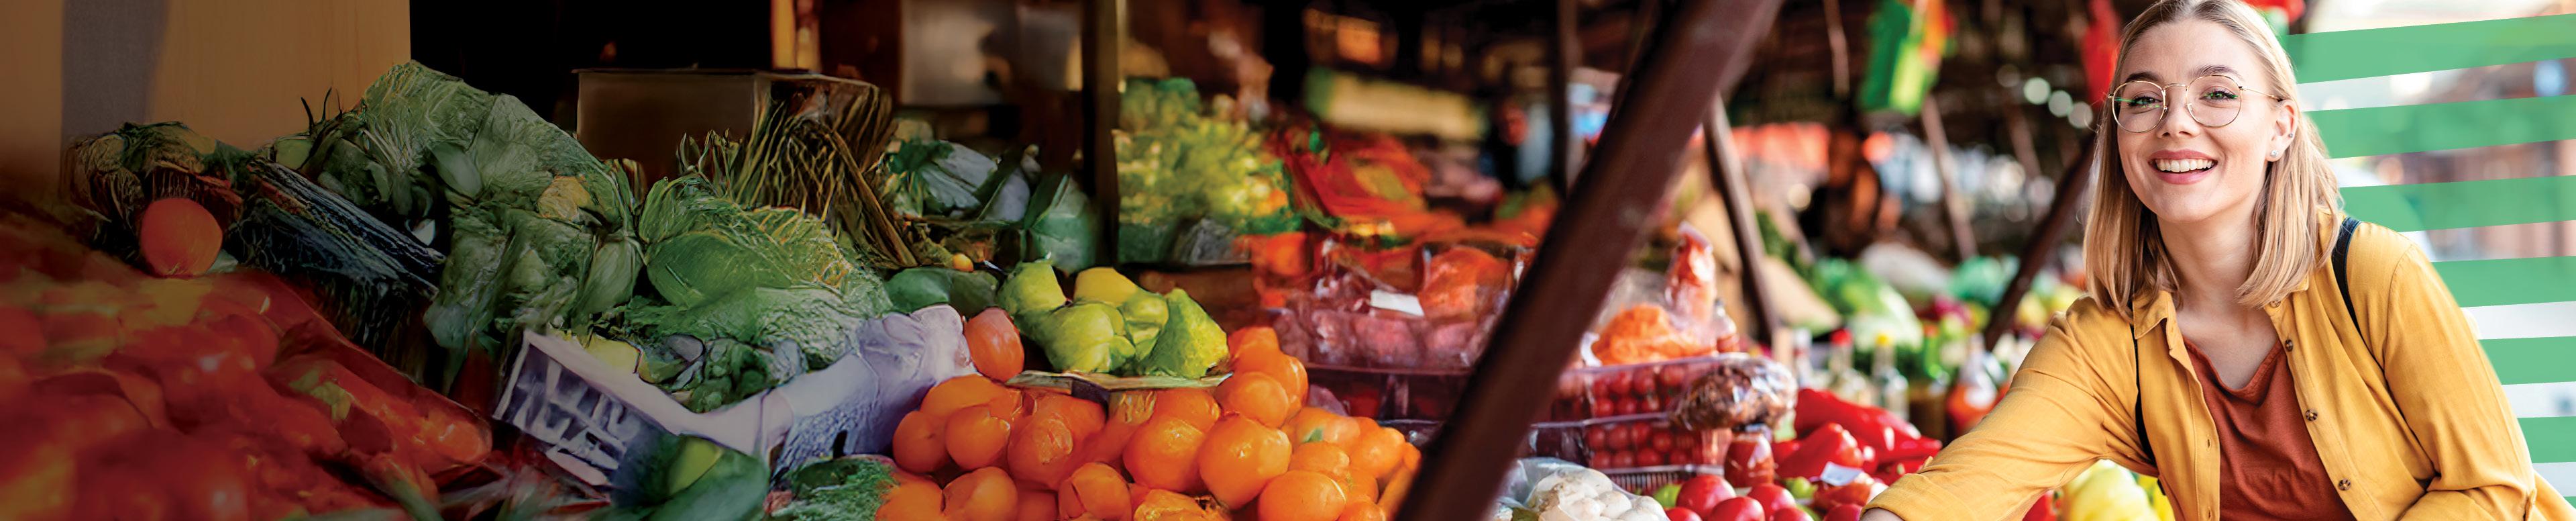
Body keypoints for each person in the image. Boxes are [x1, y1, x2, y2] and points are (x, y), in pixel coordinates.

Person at [1859, 0, 2576, 519]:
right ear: (2121, 136)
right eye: (2144, 100)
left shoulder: (2375, 274)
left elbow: (2494, 487)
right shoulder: (2110, 346)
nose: (2175, 120)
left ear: (2280, 127)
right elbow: (1972, 478)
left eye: (2218, 94)